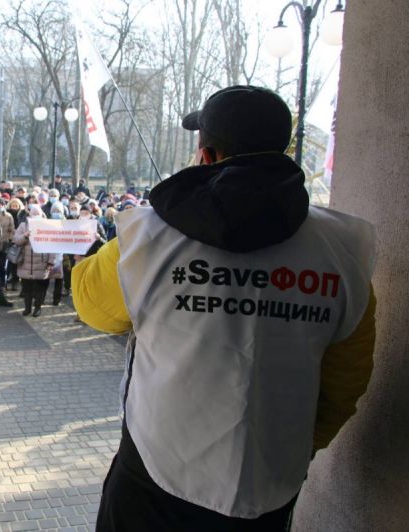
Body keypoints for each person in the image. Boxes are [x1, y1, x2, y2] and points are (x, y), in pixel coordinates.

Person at [72, 85, 376, 530]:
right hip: (269, 484)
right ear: (284, 151)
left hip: (155, 475)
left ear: (206, 155)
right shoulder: (342, 251)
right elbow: (346, 380)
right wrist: (295, 445)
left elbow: (94, 307)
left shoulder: (148, 238)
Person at [13, 204, 52, 317]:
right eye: (33, 213)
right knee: (27, 288)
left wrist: (51, 261)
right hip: (26, 262)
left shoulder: (47, 226)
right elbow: (16, 240)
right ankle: (27, 308)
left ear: (41, 214)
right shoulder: (23, 225)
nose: (35, 215)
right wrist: (25, 236)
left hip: (41, 262)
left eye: (37, 213)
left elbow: (52, 246)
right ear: (29, 214)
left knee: (39, 288)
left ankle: (37, 308)